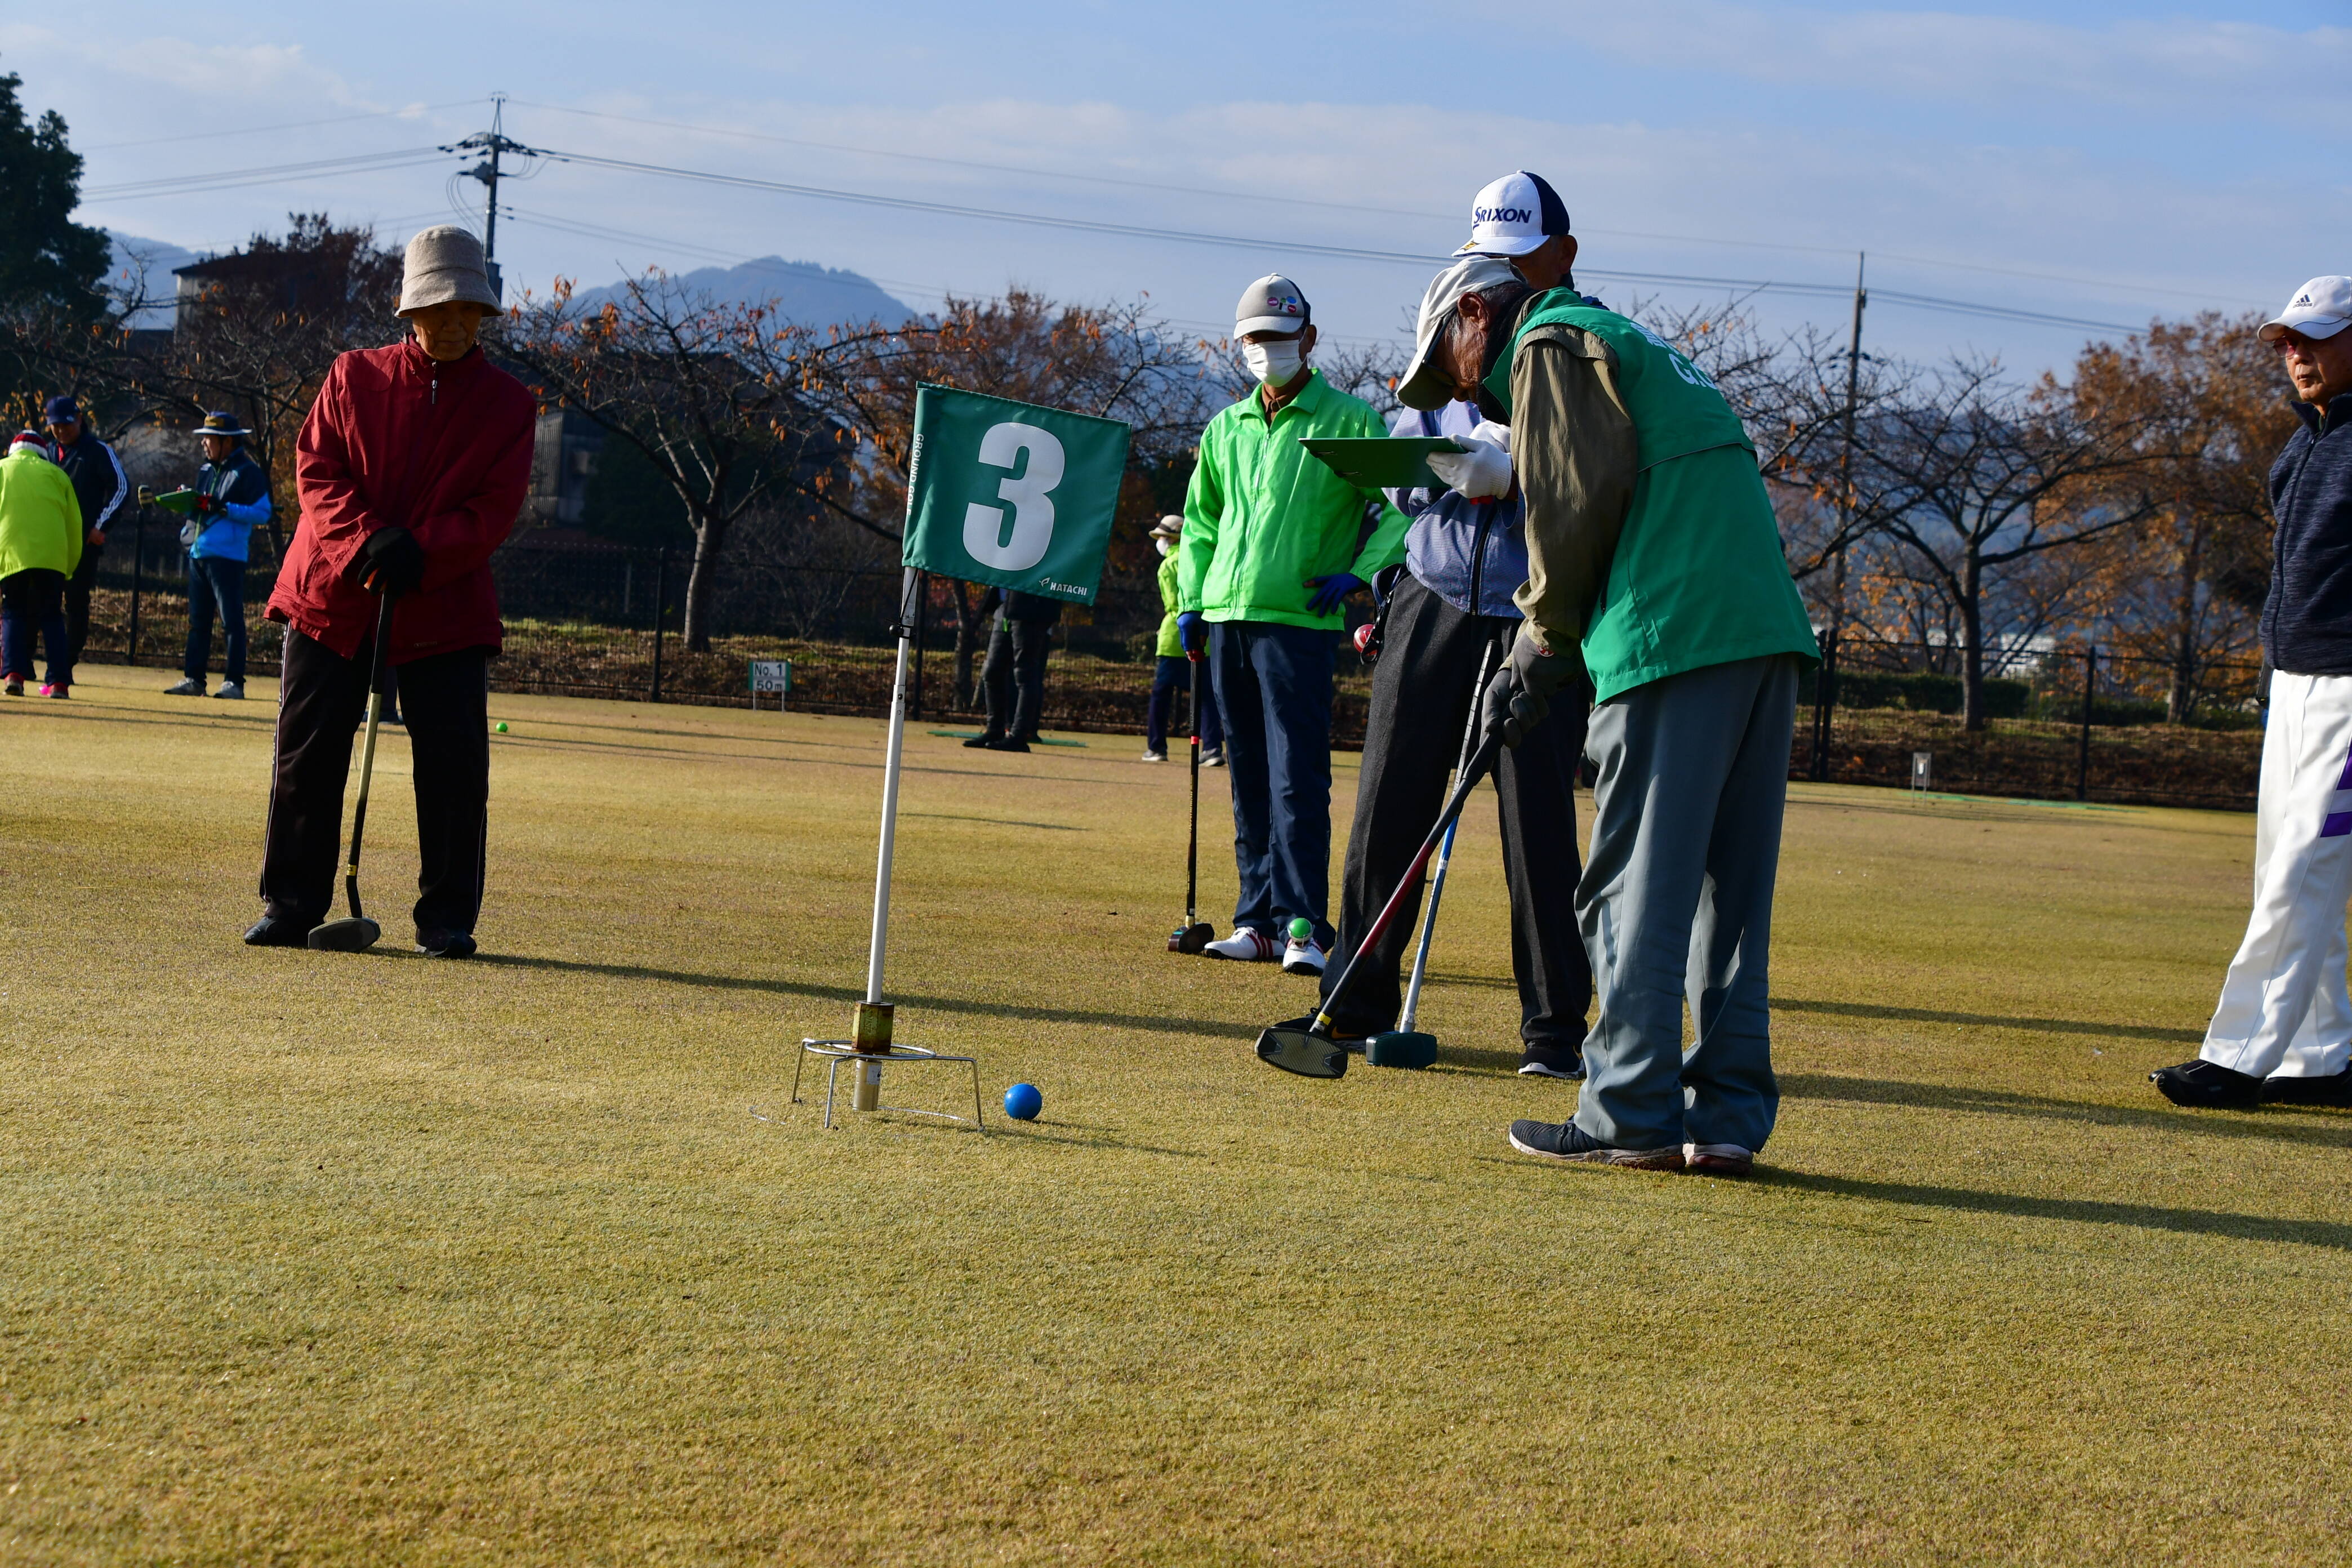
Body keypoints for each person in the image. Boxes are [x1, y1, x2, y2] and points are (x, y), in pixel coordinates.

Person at [1402, 240, 1819, 1177]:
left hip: (1672, 632)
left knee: (1633, 882)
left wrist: (1535, 645)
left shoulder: (1548, 340)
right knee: (1727, 894)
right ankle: (1724, 1116)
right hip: (1761, 629)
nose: (1463, 393)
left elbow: (1571, 507)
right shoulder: (1625, 338)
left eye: (1449, 367)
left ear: (1477, 314)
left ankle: (1627, 1107)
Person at [1318, 247, 1592, 1078]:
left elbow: (1594, 483)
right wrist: (1446, 465)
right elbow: (1403, 481)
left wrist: (1513, 474)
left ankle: (1555, 1029)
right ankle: (1352, 1001)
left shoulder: (1569, 355)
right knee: (1389, 802)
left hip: (1533, 609)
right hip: (1432, 597)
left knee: (1536, 821)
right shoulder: (1445, 373)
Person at [244, 224, 533, 958]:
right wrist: (368, 540)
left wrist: (423, 553)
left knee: (456, 765)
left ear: (485, 317)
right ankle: (292, 903)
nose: (450, 324)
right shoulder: (352, 377)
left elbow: (492, 509)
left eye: (466, 311)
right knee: (308, 756)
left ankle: (446, 919)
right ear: (408, 313)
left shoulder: (509, 406)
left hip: (445, 602)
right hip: (333, 593)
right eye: (436, 311)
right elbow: (317, 471)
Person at [2153, 277, 2352, 1110]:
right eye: (2285, 342)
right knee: (2288, 863)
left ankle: (2239, 1055)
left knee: (2304, 866)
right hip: (2296, 683)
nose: (2295, 355)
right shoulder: (2300, 447)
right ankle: (2323, 1055)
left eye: (2315, 337)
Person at [1179, 274, 1409, 974]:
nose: (1266, 351)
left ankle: (1303, 926)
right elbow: (1200, 523)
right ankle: (1256, 921)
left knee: (1297, 779)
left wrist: (1364, 572)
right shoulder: (1226, 426)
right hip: (1227, 616)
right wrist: (1191, 598)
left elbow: (1399, 507)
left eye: (1279, 339)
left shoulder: (1349, 419)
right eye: (1254, 340)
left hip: (1300, 623)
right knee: (1248, 774)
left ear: (1307, 339)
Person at [162, 413, 273, 700]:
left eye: (209, 439)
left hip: (228, 556)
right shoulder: (206, 471)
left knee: (231, 621)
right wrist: (186, 502)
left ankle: (234, 682)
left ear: (227, 441)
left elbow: (263, 513)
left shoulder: (249, 472)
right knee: (198, 622)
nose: (204, 444)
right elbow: (204, 508)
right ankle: (194, 679)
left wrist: (224, 508)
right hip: (198, 553)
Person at [41, 396, 128, 670]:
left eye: (66, 424)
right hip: (49, 542)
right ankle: (31, 660)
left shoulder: (98, 450)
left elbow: (121, 489)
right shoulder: (47, 452)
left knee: (77, 603)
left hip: (82, 545)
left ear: (79, 419)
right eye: (55, 426)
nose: (61, 431)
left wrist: (100, 527)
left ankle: (66, 663)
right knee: (41, 600)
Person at [0, 430, 82, 697]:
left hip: (12, 554)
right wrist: (69, 566)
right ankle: (58, 682)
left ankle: (14, 674)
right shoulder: (58, 476)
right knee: (52, 616)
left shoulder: (2, 470)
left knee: (13, 612)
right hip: (52, 557)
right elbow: (74, 526)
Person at [1143, 514, 1224, 764]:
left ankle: (1157, 748)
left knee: (1161, 696)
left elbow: (1171, 603)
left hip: (1172, 638)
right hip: (1204, 636)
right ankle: (1212, 749)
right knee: (1207, 697)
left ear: (1171, 539)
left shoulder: (1168, 565)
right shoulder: (1205, 559)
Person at [963, 585, 1061, 753]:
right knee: (992, 672)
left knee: (1025, 674)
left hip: (1032, 607)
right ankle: (995, 730)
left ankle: (1019, 736)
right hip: (1005, 607)